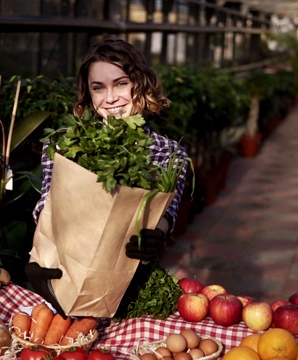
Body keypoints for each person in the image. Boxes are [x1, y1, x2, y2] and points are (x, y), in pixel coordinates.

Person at [25, 38, 189, 317]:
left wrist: (158, 235)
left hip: (128, 282)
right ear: (88, 95)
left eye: (121, 83)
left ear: (141, 84)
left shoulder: (170, 153)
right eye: (98, 88)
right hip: (61, 275)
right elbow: (48, 201)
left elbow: (166, 210)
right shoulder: (65, 146)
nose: (110, 98)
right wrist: (39, 257)